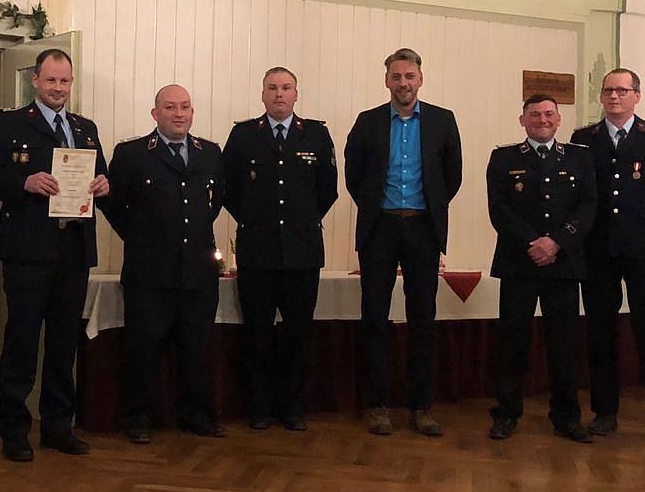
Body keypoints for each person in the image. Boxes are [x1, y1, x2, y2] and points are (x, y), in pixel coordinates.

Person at [0, 49, 110, 462]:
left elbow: (101, 175)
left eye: (64, 81)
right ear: (35, 80)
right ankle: (14, 430)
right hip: (27, 251)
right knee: (21, 341)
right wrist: (25, 181)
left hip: (74, 248)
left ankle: (58, 426)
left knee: (63, 343)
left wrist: (103, 185)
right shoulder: (10, 123)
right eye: (51, 80)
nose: (58, 88)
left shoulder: (85, 128)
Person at [344, 47, 462, 437]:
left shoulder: (443, 121)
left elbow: (452, 176)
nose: (403, 83)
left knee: (422, 320)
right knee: (374, 318)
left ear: (420, 79)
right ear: (387, 81)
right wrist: (377, 206)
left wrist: (429, 207)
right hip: (379, 229)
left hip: (423, 229)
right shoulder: (368, 122)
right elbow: (354, 175)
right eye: (396, 76)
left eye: (409, 76)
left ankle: (421, 406)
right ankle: (377, 405)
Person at [570, 68, 645, 447]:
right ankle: (604, 412)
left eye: (622, 90)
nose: (614, 96)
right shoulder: (583, 139)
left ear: (637, 95)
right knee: (600, 333)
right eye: (609, 90)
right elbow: (578, 199)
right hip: (599, 251)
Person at [105, 84, 226, 444]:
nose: (178, 114)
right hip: (149, 273)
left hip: (198, 272)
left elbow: (215, 201)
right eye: (170, 107)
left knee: (196, 349)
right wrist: (142, 238)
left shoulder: (210, 153)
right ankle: (138, 418)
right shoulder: (132, 154)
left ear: (192, 112)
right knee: (143, 350)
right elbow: (113, 204)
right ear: (155, 113)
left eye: (185, 107)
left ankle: (195, 415)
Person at [222, 67, 337, 431]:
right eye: (272, 88)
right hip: (257, 252)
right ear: (262, 94)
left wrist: (301, 220)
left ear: (296, 94)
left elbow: (328, 190)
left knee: (297, 336)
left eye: (286, 88)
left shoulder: (316, 134)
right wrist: (256, 220)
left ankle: (293, 408)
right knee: (256, 334)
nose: (279, 94)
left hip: (302, 253)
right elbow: (229, 189)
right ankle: (259, 407)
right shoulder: (243, 135)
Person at [485, 94, 596, 443]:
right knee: (512, 342)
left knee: (564, 344)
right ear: (523, 120)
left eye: (549, 114)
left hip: (563, 264)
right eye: (534, 114)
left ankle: (566, 417)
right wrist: (533, 243)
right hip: (519, 263)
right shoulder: (503, 158)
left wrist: (557, 242)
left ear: (559, 119)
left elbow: (589, 205)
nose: (542, 120)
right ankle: (507, 413)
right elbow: (499, 209)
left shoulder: (579, 157)